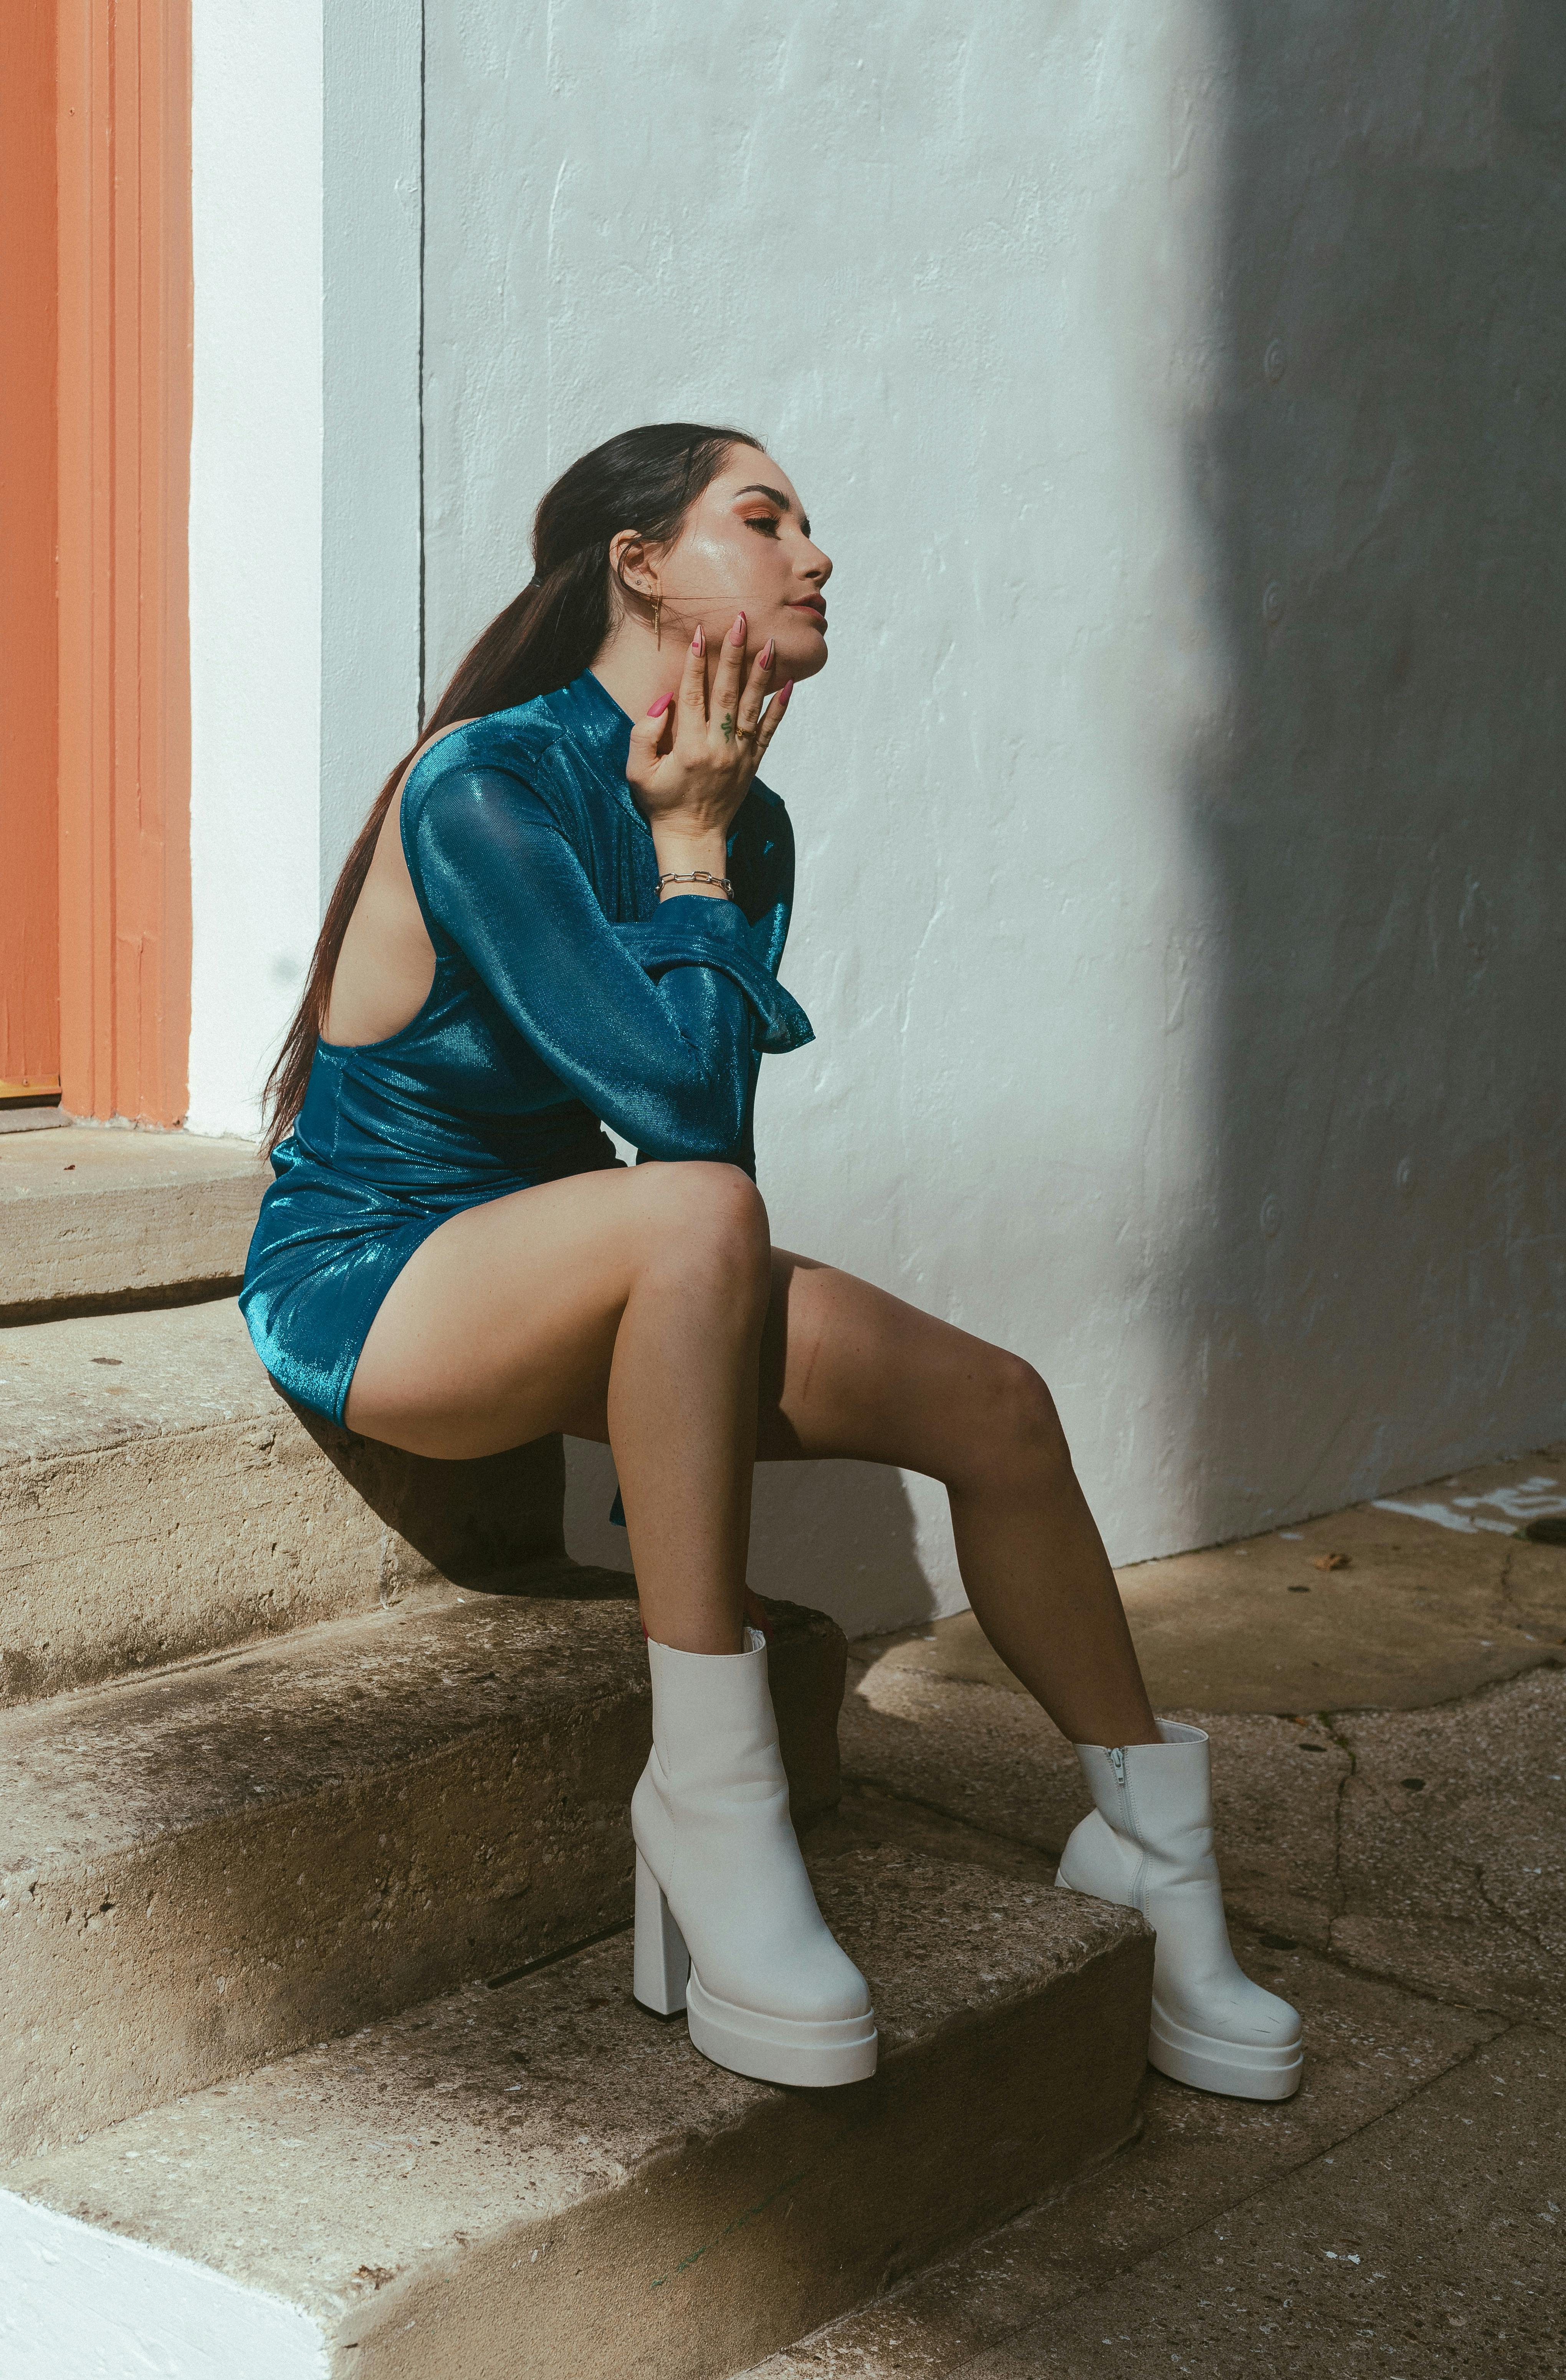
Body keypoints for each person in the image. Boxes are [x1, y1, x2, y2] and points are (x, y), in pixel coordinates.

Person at [242, 421, 1302, 2101]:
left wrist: (705, 841)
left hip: (607, 1260)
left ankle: (1152, 1859)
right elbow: (676, 1130)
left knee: (999, 1406)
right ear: (640, 565)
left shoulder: (747, 817)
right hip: (381, 1283)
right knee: (694, 1221)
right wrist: (682, 857)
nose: (817, 557)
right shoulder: (487, 785)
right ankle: (710, 1796)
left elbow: (700, 1154)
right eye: (767, 518)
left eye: (811, 526)